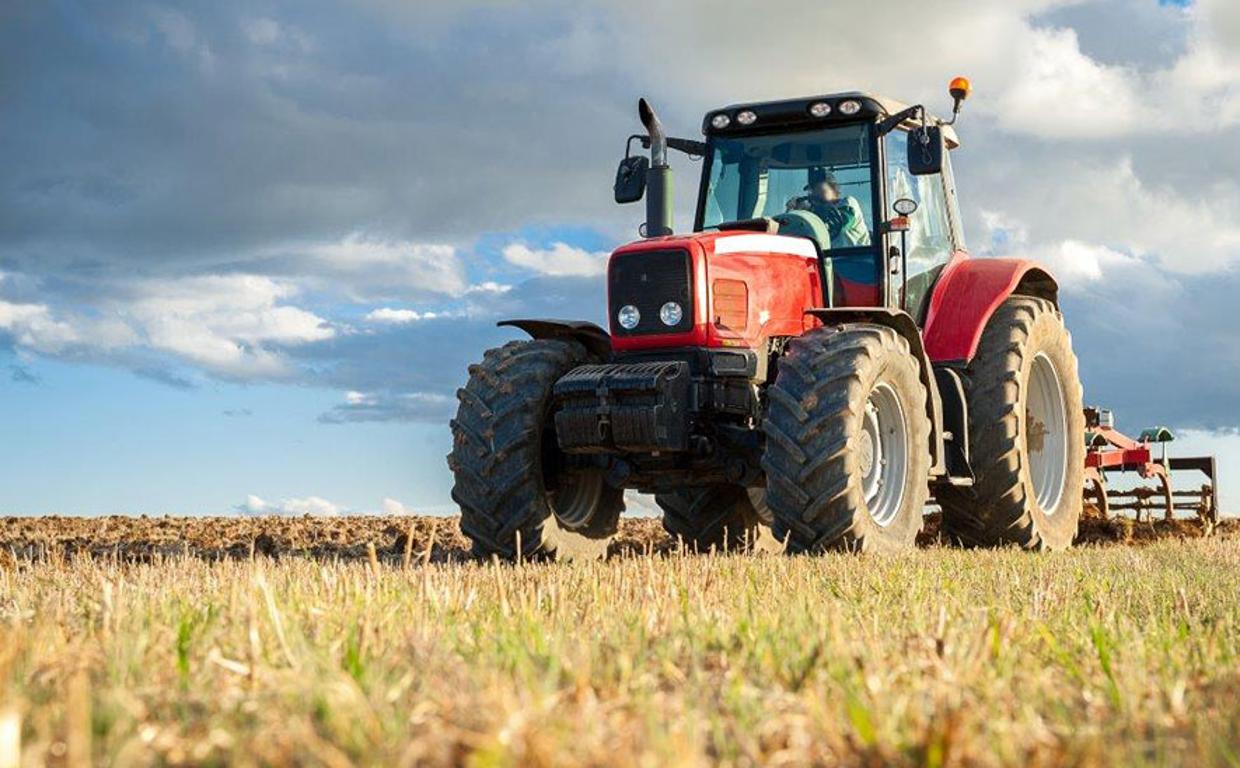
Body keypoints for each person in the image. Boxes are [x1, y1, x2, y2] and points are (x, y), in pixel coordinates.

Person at [787, 168, 871, 248]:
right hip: (831, 257)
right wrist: (796, 213)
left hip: (858, 255)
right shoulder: (816, 214)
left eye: (819, 188)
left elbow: (838, 223)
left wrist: (809, 209)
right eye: (812, 190)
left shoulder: (848, 203)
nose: (814, 194)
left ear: (833, 189)